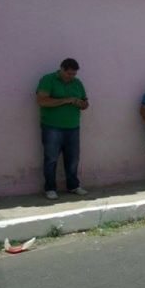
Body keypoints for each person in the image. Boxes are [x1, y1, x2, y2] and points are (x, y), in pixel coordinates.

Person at [36, 58, 89, 200]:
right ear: (61, 69)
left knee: (73, 159)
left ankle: (73, 186)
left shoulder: (77, 83)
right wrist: (66, 100)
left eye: (74, 74)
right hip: (52, 127)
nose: (71, 76)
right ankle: (50, 188)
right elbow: (42, 101)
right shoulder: (48, 79)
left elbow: (86, 104)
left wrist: (81, 103)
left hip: (73, 127)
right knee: (51, 158)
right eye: (68, 73)